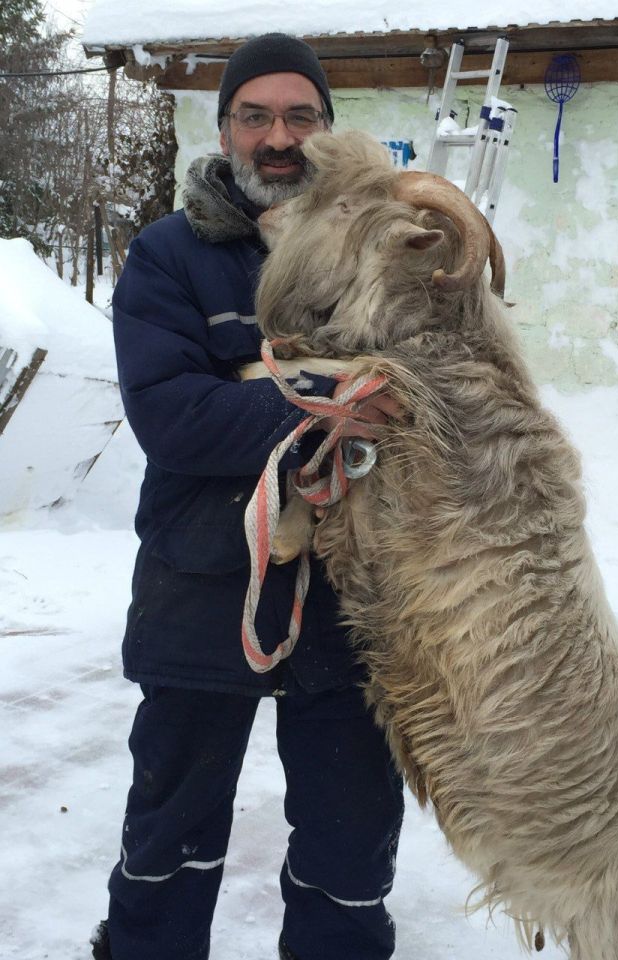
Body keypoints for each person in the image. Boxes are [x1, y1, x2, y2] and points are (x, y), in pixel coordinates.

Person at [91, 33, 404, 960]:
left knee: (351, 838)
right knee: (169, 833)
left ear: (328, 130)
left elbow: (423, 393)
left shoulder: (377, 257)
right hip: (202, 585)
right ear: (225, 129)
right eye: (256, 116)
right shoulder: (168, 256)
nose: (279, 137)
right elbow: (172, 417)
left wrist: (259, 393)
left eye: (300, 116)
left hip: (352, 594)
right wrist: (333, 403)